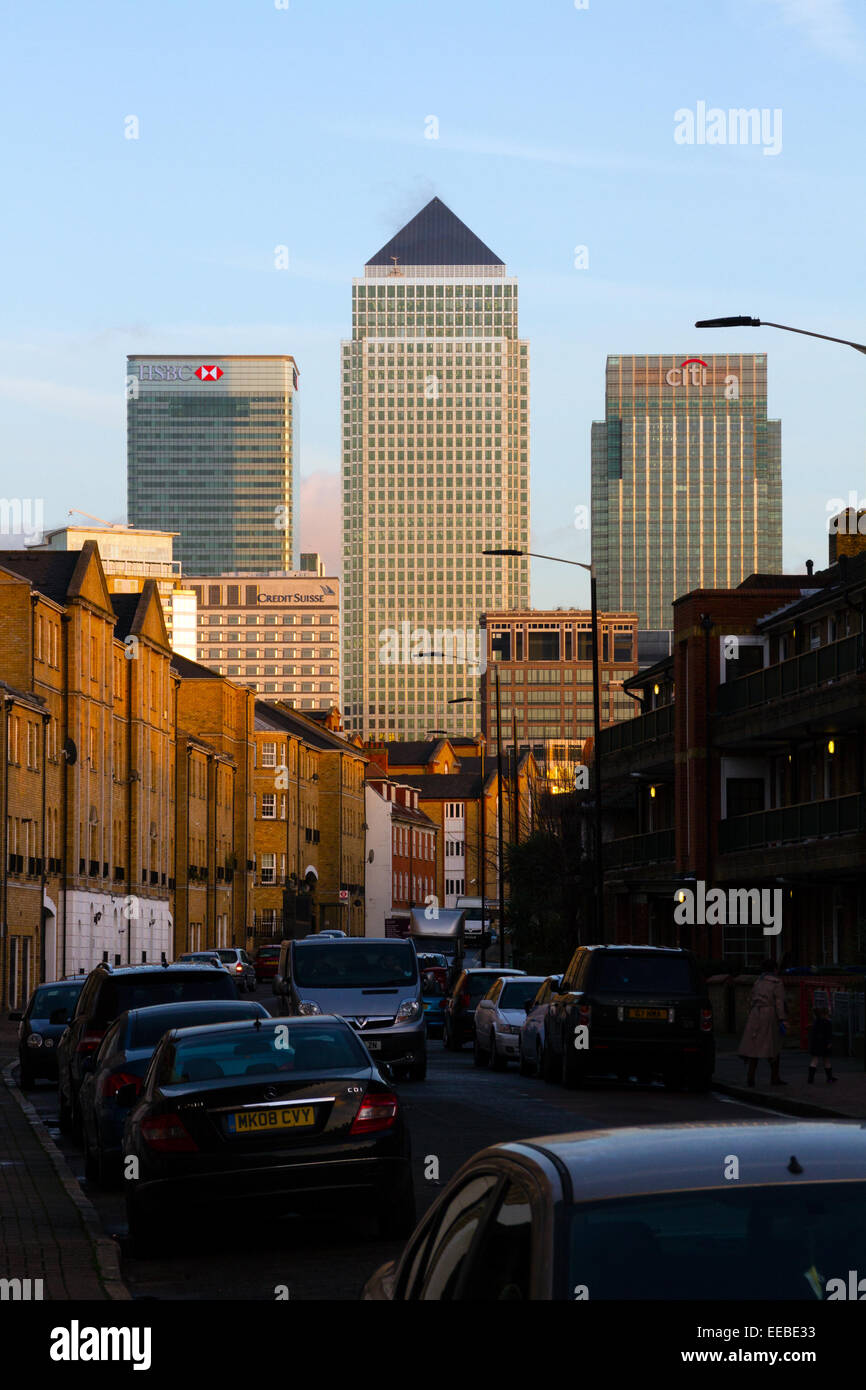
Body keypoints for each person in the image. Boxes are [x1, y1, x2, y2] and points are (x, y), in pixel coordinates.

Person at [738, 958, 788, 1087]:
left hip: (755, 1014)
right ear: (774, 969)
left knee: (754, 1047)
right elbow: (779, 1002)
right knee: (773, 1046)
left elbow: (751, 998)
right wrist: (782, 1018)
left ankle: (750, 1077)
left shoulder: (758, 981)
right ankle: (775, 1077)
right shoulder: (777, 983)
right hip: (769, 1014)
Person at [808, 1005, 836, 1084]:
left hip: (816, 1043)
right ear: (826, 1014)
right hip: (824, 1043)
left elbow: (813, 1034)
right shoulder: (828, 1023)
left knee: (814, 1060)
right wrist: (829, 1042)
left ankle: (810, 1078)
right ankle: (829, 1078)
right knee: (826, 1060)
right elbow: (829, 1034)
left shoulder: (816, 1022)